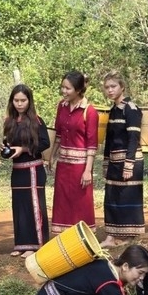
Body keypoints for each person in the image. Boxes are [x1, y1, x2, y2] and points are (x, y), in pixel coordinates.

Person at [1, 84, 50, 259]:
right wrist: (6, 149)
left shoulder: (37, 120)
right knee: (19, 206)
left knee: (34, 206)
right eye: (16, 100)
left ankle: (36, 244)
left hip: (34, 169)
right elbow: (8, 143)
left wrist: (24, 149)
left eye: (23, 100)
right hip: (17, 171)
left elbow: (45, 143)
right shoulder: (9, 122)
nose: (19, 104)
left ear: (29, 101)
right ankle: (21, 244)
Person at [50, 71, 98, 234]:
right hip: (63, 164)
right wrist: (52, 157)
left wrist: (87, 171)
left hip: (80, 167)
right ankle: (62, 239)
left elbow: (92, 144)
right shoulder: (61, 106)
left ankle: (83, 240)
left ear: (78, 90)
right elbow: (58, 134)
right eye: (62, 87)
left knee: (81, 204)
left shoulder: (89, 111)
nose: (64, 91)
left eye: (68, 88)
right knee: (62, 201)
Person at [101, 71, 145, 248]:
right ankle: (111, 236)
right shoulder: (112, 110)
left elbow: (133, 138)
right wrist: (105, 161)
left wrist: (129, 164)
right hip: (114, 161)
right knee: (111, 197)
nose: (110, 90)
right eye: (107, 87)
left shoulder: (131, 109)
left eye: (113, 86)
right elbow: (109, 140)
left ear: (122, 87)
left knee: (128, 197)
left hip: (129, 160)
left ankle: (129, 237)